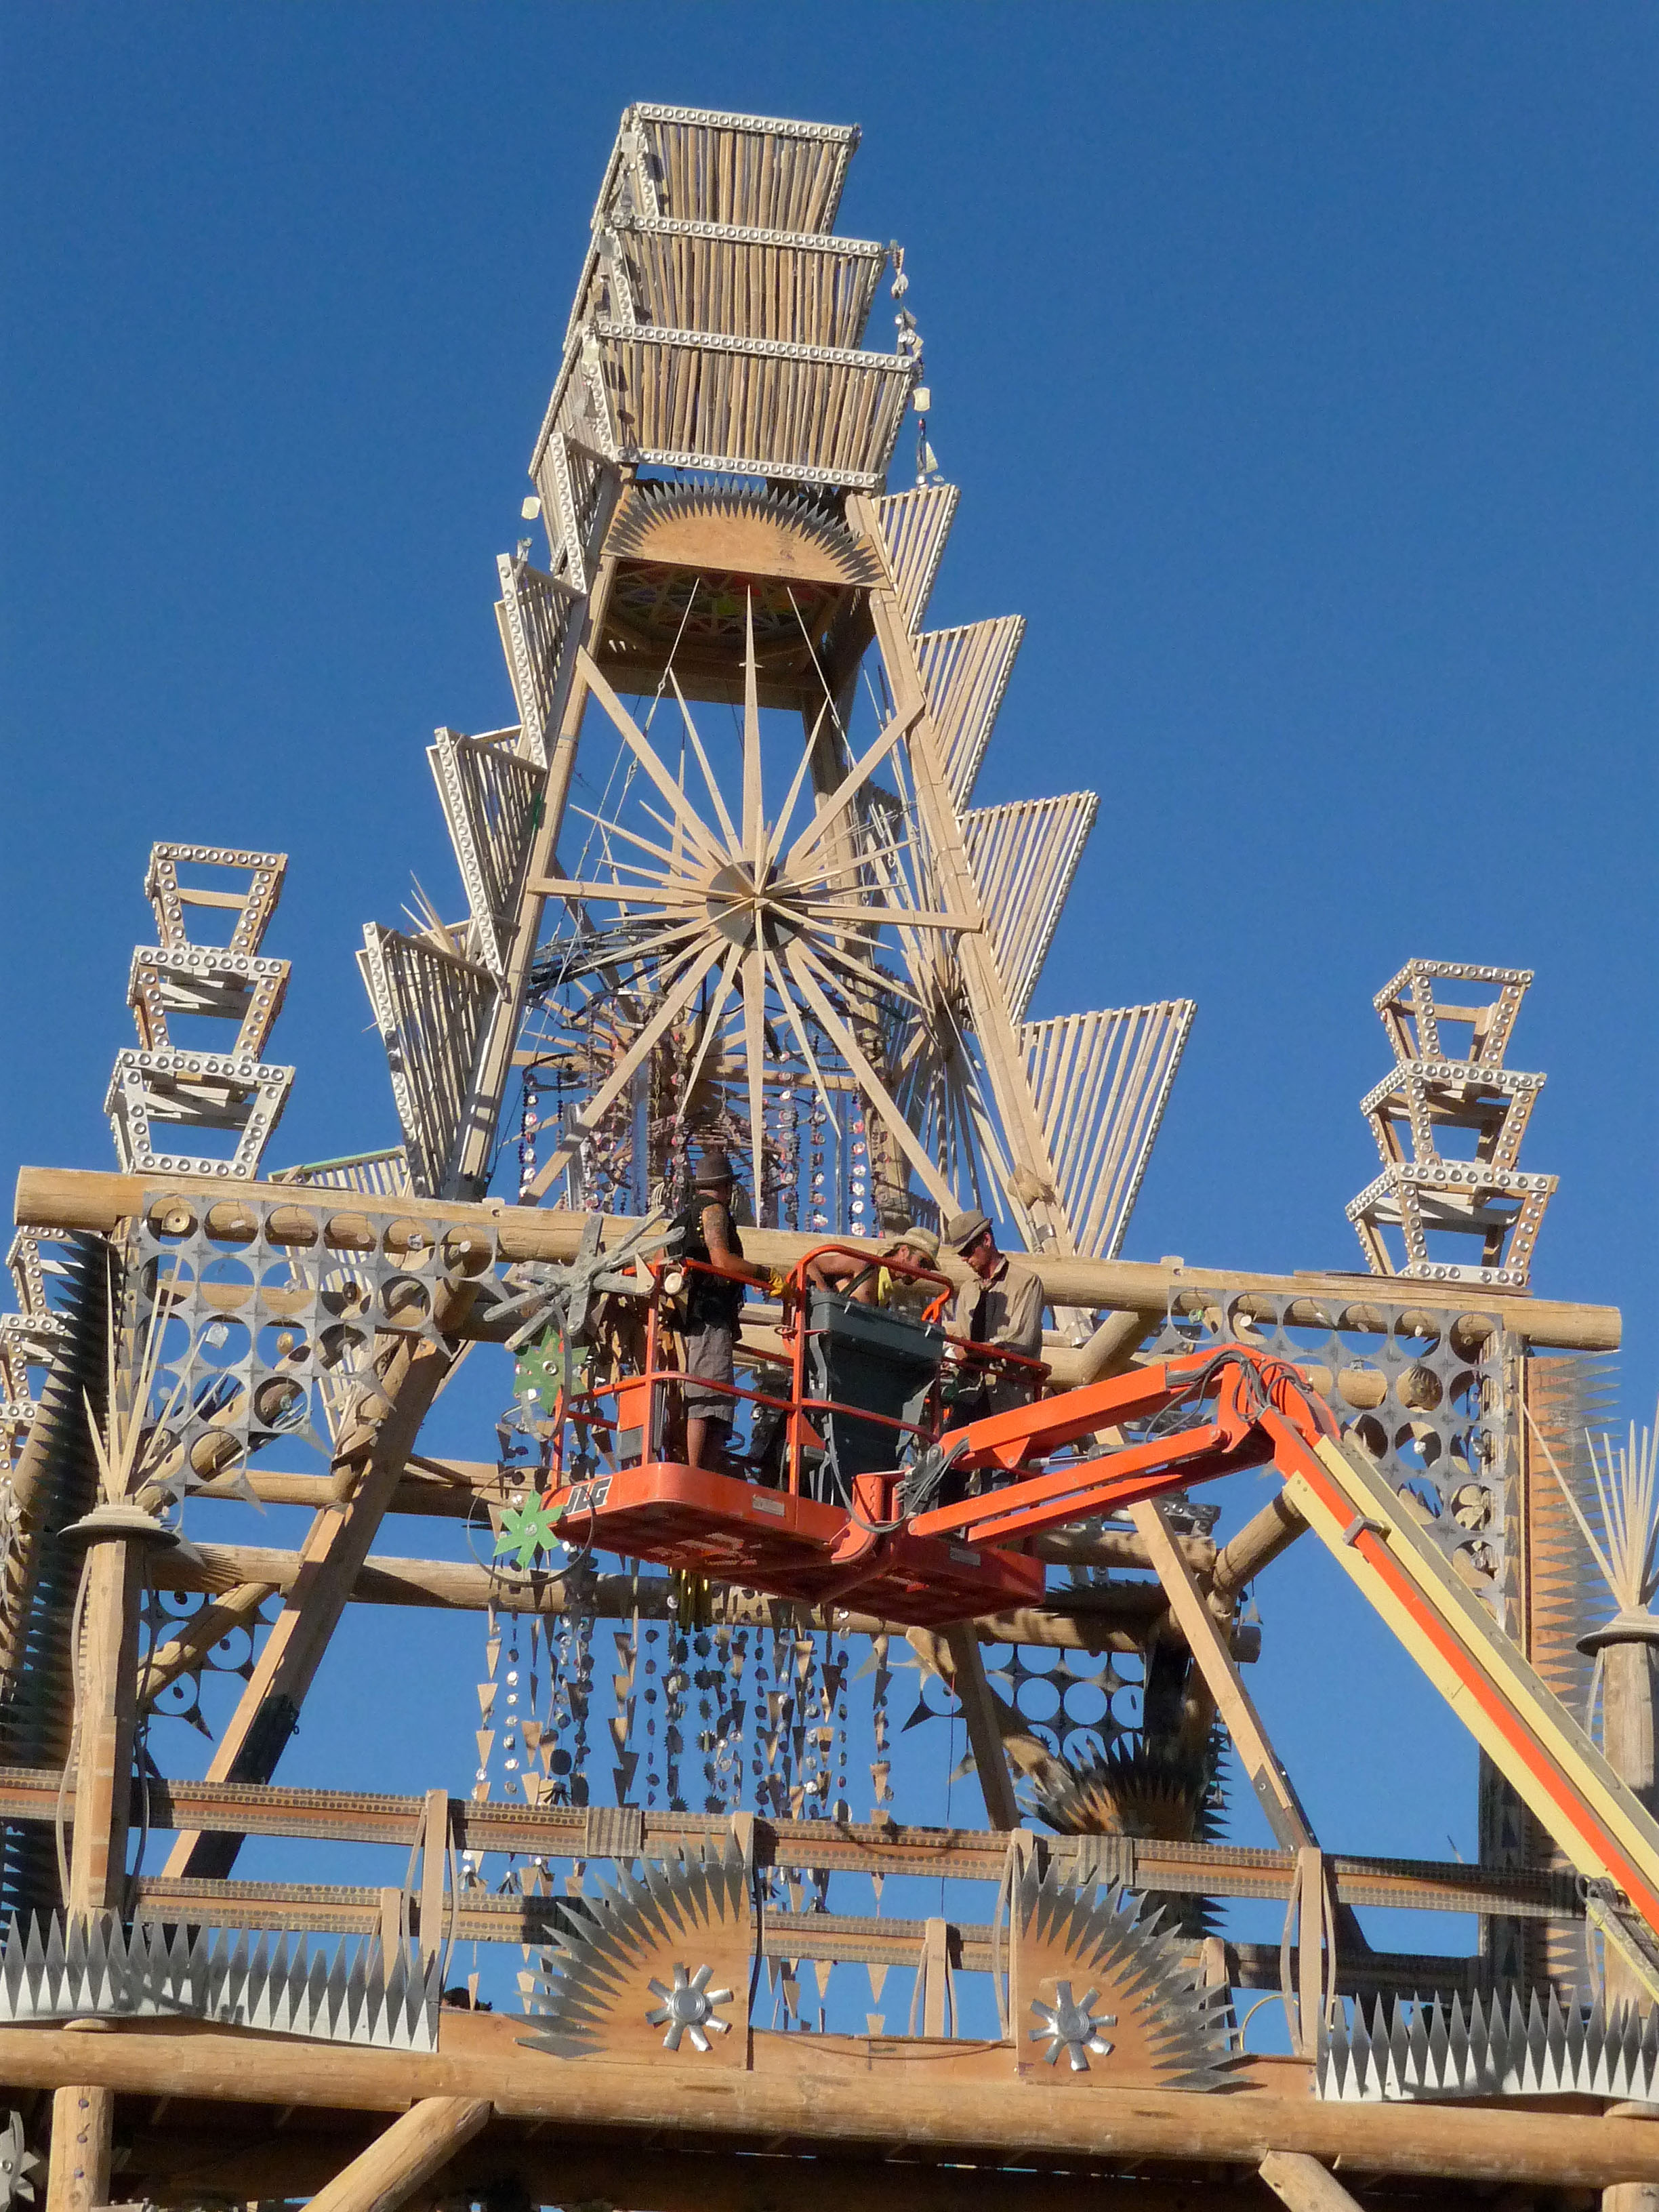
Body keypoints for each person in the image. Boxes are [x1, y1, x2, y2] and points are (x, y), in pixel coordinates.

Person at [672, 1149, 777, 1471]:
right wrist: (765, 1275)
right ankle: (697, 1471)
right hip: (709, 1316)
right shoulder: (714, 1211)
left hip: (689, 1316)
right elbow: (722, 1260)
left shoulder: (683, 1217)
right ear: (726, 1187)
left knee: (709, 1395)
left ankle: (703, 1467)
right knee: (708, 1396)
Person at [941, 1206, 1045, 1414]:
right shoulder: (968, 1291)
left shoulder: (1025, 1282)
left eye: (967, 1251)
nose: (964, 1259)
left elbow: (1021, 1341)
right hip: (969, 1393)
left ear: (986, 1241)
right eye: (960, 1253)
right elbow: (962, 1339)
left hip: (1008, 1396)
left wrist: (970, 1351)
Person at [805, 1225, 943, 1315]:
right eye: (922, 1262)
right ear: (904, 1251)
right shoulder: (863, 1265)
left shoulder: (885, 1299)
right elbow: (810, 1264)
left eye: (928, 1268)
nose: (924, 1271)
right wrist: (827, 1301)